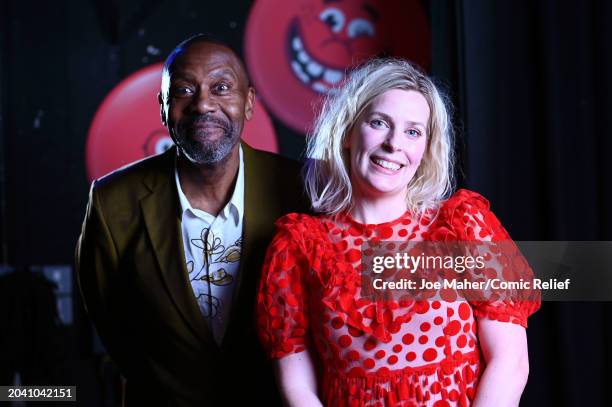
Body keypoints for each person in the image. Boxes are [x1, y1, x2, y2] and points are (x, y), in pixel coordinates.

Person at [256, 58, 540, 406]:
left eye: (412, 131)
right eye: (379, 123)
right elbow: (298, 388)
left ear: (425, 148)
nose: (394, 144)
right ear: (347, 132)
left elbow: (510, 362)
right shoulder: (299, 246)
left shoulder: (464, 226)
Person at [76, 34, 306, 406]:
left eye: (221, 87)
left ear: (248, 103)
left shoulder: (303, 190)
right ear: (163, 107)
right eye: (183, 90)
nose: (202, 104)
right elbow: (110, 320)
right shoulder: (112, 200)